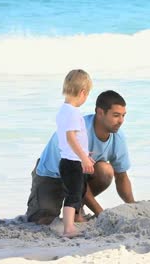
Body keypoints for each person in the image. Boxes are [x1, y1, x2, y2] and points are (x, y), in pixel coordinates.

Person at [26, 89, 135, 225]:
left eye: (123, 116)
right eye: (116, 115)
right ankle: (73, 207)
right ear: (100, 112)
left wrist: (133, 207)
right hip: (51, 174)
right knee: (43, 221)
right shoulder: (80, 131)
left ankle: (77, 207)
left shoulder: (117, 137)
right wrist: (101, 214)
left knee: (105, 170)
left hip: (78, 175)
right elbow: (76, 178)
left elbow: (122, 176)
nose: (121, 121)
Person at [55, 69, 94, 237]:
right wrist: (84, 158)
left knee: (75, 192)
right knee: (74, 194)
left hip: (67, 159)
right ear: (83, 92)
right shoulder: (72, 112)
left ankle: (70, 224)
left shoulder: (63, 110)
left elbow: (72, 139)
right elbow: (71, 137)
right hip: (72, 162)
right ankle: (68, 228)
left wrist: (85, 153)